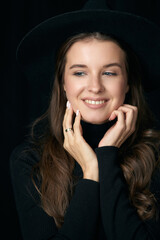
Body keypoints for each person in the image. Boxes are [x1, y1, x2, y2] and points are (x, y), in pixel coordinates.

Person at [10, 0, 160, 239]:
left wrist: (107, 153)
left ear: (128, 82)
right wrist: (91, 171)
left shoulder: (157, 156)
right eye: (80, 72)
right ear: (63, 83)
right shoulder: (29, 160)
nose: (95, 87)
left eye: (109, 72)